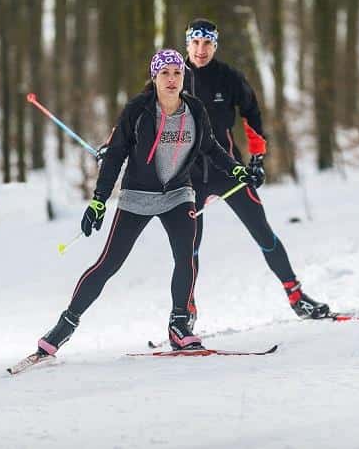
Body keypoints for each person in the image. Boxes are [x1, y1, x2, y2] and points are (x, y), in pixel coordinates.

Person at [35, 49, 263, 356]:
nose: (171, 79)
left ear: (184, 77)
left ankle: (179, 325)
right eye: (165, 73)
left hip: (179, 194)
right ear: (154, 77)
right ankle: (65, 325)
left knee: (186, 256)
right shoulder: (139, 109)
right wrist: (99, 201)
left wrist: (236, 168)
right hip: (138, 196)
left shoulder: (194, 108)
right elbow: (115, 155)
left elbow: (209, 146)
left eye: (177, 73)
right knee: (108, 264)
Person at [182, 18, 331, 325]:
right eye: (195, 43)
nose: (201, 50)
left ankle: (296, 296)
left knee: (262, 231)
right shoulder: (172, 75)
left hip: (229, 170)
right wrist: (115, 146)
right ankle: (186, 312)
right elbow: (141, 116)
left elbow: (252, 114)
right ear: (187, 43)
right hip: (189, 176)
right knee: (188, 246)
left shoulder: (229, 78)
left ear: (215, 45)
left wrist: (257, 160)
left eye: (207, 43)